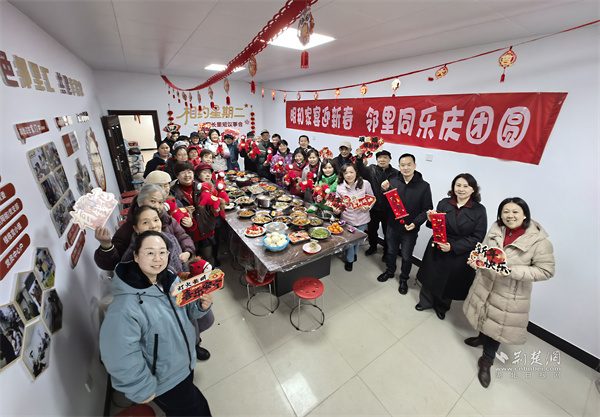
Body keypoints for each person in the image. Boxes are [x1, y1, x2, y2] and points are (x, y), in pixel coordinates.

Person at [99, 231, 213, 416]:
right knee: (197, 410)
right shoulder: (124, 307)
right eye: (150, 252)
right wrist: (141, 388)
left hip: (184, 363)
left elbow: (186, 311)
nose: (157, 258)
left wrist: (200, 305)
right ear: (136, 256)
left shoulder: (170, 279)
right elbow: (118, 354)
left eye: (162, 252)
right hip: (165, 378)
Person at [463, 197, 555, 388]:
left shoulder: (539, 242)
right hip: (486, 282)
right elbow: (484, 252)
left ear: (525, 214)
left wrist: (511, 271)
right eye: (505, 211)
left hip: (510, 292)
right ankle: (481, 337)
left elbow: (546, 271)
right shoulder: (496, 229)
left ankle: (486, 361)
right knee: (483, 312)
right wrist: (477, 262)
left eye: (515, 211)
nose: (510, 215)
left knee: (498, 326)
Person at [415, 174, 487, 320]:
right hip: (438, 245)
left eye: (466, 186)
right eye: (458, 185)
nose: (461, 189)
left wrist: (452, 246)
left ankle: (442, 306)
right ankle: (425, 301)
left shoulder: (479, 210)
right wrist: (431, 220)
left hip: (458, 251)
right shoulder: (444, 203)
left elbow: (477, 237)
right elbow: (437, 226)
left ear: (473, 189)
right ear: (453, 187)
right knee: (430, 275)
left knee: (449, 281)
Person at [94, 184, 194, 272]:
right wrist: (106, 246)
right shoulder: (128, 229)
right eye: (153, 201)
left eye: (160, 202)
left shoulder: (167, 220)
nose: (157, 206)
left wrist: (187, 252)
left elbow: (183, 237)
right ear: (140, 202)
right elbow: (113, 264)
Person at [378, 154, 433, 295]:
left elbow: (427, 209)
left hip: (410, 229)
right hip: (392, 225)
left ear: (415, 166)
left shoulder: (424, 186)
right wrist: (384, 190)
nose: (406, 168)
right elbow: (386, 205)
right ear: (399, 166)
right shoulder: (392, 182)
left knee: (407, 256)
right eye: (402, 165)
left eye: (409, 164)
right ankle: (390, 271)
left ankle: (403, 279)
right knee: (391, 251)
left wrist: (415, 223)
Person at [355, 148, 398, 259]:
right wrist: (359, 158)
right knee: (372, 230)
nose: (382, 160)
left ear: (390, 159)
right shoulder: (371, 169)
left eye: (385, 158)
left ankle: (386, 252)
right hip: (373, 208)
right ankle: (373, 247)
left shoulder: (396, 174)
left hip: (388, 209)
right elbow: (360, 170)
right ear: (377, 159)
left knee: (388, 233)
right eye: (379, 158)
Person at [331, 164, 373, 271]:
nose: (349, 175)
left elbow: (372, 198)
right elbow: (337, 203)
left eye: (351, 172)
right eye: (345, 173)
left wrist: (368, 206)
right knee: (349, 241)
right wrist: (336, 210)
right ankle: (350, 260)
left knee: (357, 240)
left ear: (356, 172)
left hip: (362, 219)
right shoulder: (340, 186)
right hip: (347, 220)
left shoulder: (365, 184)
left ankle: (354, 254)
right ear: (342, 175)